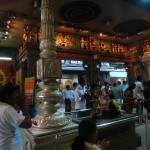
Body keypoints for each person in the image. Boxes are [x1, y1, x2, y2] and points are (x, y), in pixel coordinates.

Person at [0, 82, 32, 150]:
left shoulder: (3, 107)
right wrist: (23, 106)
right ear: (7, 96)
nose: (17, 96)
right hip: (11, 147)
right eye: (15, 94)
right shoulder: (7, 110)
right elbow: (28, 124)